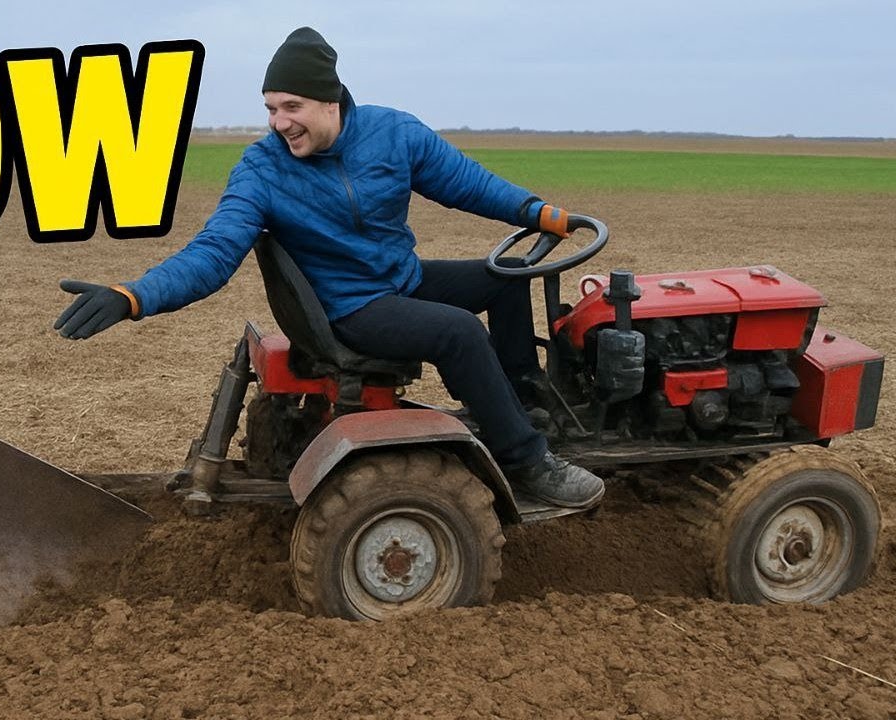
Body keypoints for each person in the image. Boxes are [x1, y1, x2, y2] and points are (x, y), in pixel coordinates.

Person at [55, 27, 603, 508]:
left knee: (507, 278)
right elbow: (214, 252)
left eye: (290, 107)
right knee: (458, 331)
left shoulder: (393, 134)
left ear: (330, 100)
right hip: (351, 307)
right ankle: (528, 461)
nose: (279, 123)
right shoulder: (262, 170)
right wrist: (134, 295)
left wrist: (540, 213)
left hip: (401, 279)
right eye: (270, 108)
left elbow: (467, 183)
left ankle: (521, 400)